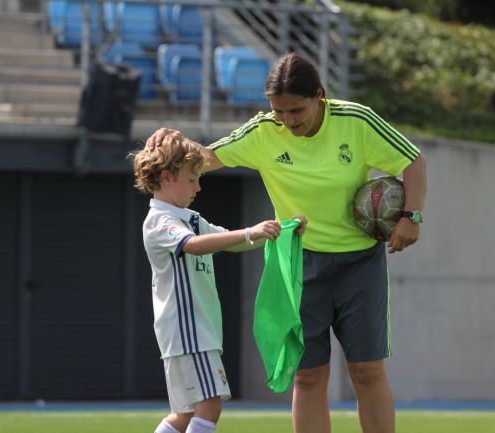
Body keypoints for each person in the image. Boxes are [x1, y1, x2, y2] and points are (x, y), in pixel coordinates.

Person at [145, 52, 427, 433]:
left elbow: (413, 160)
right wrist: (171, 143)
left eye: (296, 110)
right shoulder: (263, 131)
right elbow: (206, 159)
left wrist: (411, 216)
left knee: (366, 371)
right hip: (297, 263)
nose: (287, 121)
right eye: (279, 112)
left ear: (320, 96)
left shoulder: (356, 121)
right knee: (308, 377)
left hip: (359, 263)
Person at [132, 134, 304, 433]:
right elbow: (195, 246)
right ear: (167, 176)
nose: (198, 187)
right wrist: (251, 232)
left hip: (197, 332)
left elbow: (230, 241)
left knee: (185, 415)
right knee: (209, 405)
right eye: (192, 179)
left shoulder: (191, 218)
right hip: (187, 331)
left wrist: (275, 231)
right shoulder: (160, 220)